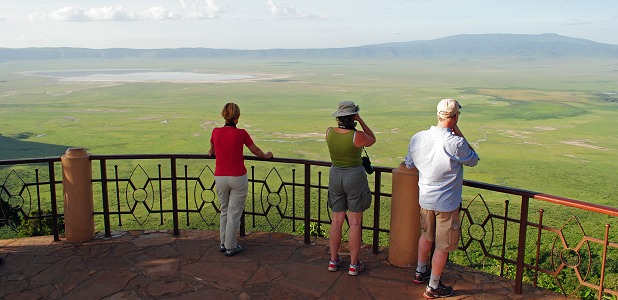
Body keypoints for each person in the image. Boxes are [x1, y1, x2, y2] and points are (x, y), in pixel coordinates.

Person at [404, 98, 479, 298]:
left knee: (426, 236)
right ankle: (433, 286)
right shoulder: (455, 143)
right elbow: (473, 159)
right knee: (443, 245)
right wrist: (459, 132)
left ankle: (420, 272)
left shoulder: (418, 137)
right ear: (455, 117)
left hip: (425, 198)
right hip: (447, 203)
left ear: (438, 115)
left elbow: (409, 164)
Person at [209, 102, 273, 256]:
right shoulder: (241, 133)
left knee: (224, 210)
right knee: (234, 213)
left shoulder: (215, 132)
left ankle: (223, 243)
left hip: (220, 177)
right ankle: (231, 247)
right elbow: (255, 150)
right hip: (238, 177)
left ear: (223, 115)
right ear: (237, 117)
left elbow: (211, 152)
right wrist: (266, 156)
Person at [325, 100, 376, 276]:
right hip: (354, 176)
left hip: (335, 175)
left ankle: (333, 260)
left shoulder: (329, 133)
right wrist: (360, 121)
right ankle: (354, 264)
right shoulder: (357, 136)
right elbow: (372, 139)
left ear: (338, 117)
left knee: (337, 220)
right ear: (353, 116)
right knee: (355, 222)